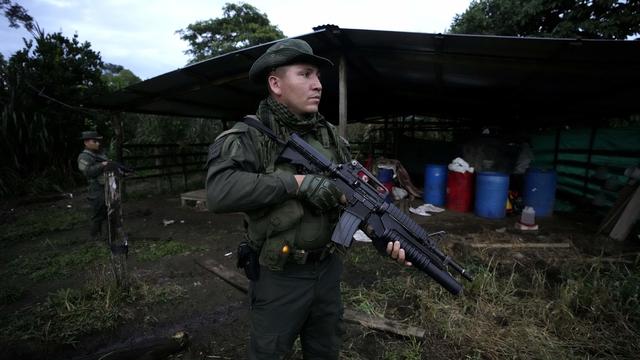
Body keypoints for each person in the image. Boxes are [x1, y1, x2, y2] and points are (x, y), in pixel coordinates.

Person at [205, 38, 409, 359]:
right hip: (279, 276)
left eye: (317, 76)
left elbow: (353, 199)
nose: (317, 85)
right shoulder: (250, 136)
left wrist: (384, 237)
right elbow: (220, 192)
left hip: (327, 273)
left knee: (326, 352)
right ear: (275, 83)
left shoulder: (330, 138)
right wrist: (296, 183)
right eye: (305, 74)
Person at [77, 130, 109, 242]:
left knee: (108, 212)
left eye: (98, 141)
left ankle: (109, 236)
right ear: (86, 142)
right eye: (94, 141)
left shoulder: (100, 154)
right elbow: (87, 172)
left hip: (106, 187)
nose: (98, 143)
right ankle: (95, 239)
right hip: (96, 189)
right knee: (98, 215)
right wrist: (102, 165)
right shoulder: (84, 157)